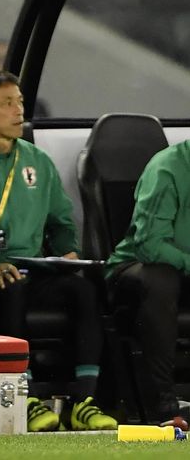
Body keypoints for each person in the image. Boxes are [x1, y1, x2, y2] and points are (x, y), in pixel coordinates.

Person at [0, 70, 116, 432]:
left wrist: (67, 252)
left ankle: (84, 399)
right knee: (11, 285)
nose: (19, 110)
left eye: (20, 102)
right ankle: (27, 395)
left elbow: (61, 221)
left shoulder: (37, 160)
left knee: (84, 289)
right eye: (7, 103)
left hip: (35, 268)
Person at [106, 139, 190, 423]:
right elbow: (150, 245)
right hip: (136, 268)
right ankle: (164, 404)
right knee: (161, 280)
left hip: (184, 271)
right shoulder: (168, 168)